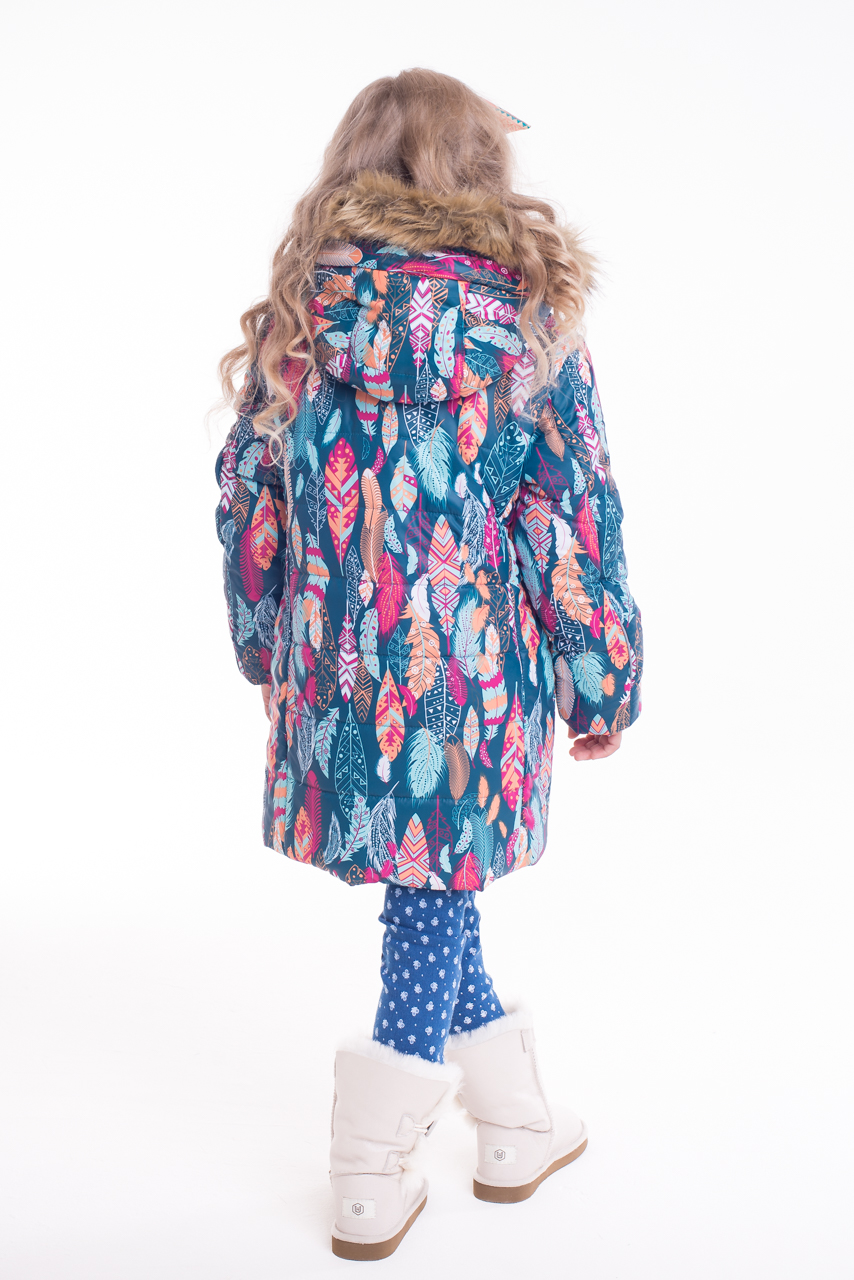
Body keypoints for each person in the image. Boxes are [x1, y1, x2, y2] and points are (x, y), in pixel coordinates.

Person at [214, 68, 642, 1261]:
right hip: (470, 669)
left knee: (432, 876)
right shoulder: (526, 325)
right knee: (435, 878)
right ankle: (367, 1170)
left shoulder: (303, 317)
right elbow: (568, 515)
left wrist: (264, 640)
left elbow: (249, 498)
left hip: (339, 662)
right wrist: (598, 672)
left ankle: (515, 1120)